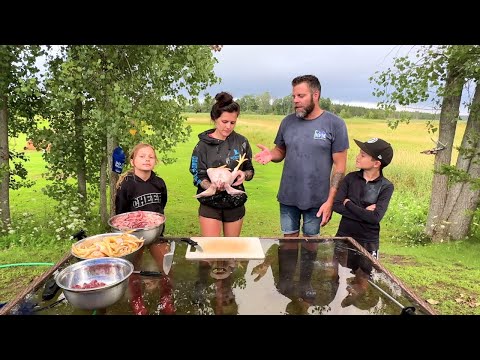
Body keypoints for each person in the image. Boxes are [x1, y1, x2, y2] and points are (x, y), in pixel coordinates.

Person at [332, 137, 394, 304]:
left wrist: (349, 204)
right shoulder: (350, 178)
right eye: (359, 153)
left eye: (363, 155)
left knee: (363, 278)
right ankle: (335, 302)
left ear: (376, 163)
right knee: (334, 273)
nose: (358, 157)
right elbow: (337, 205)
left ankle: (354, 301)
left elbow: (375, 218)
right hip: (344, 235)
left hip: (368, 240)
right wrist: (362, 211)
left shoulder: (386, 186)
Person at [115, 142, 175, 315]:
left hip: (156, 234)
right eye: (142, 156)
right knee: (134, 269)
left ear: (155, 161)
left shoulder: (159, 183)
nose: (147, 159)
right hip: (134, 236)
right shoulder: (126, 184)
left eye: (151, 157)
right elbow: (121, 214)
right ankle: (137, 301)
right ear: (133, 161)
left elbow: (162, 204)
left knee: (167, 266)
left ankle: (166, 299)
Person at [189, 91, 255, 237]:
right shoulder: (202, 146)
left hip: (235, 203)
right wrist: (211, 186)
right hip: (210, 204)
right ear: (214, 119)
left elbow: (250, 170)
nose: (228, 127)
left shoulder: (242, 142)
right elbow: (197, 175)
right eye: (224, 122)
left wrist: (243, 174)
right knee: (212, 250)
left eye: (233, 122)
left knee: (231, 251)